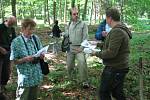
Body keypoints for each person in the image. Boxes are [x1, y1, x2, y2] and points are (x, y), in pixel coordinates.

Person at [91, 8, 132, 100]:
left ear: (109, 18)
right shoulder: (119, 29)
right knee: (117, 93)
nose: (106, 20)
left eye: (106, 18)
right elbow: (112, 45)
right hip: (119, 66)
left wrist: (95, 53)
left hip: (115, 68)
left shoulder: (117, 31)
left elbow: (111, 52)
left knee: (103, 92)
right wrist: (97, 44)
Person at [10, 19, 44, 100]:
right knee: (23, 97)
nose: (31, 31)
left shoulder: (35, 38)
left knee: (33, 97)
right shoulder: (16, 42)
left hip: (36, 76)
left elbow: (41, 50)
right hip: (25, 79)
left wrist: (42, 55)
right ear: (23, 29)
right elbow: (14, 61)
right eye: (29, 29)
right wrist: (24, 59)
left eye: (33, 29)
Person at [65, 7, 89, 88]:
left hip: (80, 48)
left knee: (82, 63)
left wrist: (81, 48)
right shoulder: (69, 24)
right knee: (69, 65)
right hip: (70, 48)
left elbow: (85, 38)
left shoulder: (83, 24)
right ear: (71, 15)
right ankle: (72, 79)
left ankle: (84, 81)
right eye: (74, 14)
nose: (76, 15)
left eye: (77, 13)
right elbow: (66, 36)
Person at [0, 16, 17, 93]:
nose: (12, 24)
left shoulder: (12, 29)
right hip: (0, 52)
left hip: (8, 53)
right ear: (7, 20)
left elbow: (14, 40)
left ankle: (3, 86)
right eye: (11, 23)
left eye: (13, 23)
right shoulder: (0, 27)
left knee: (6, 71)